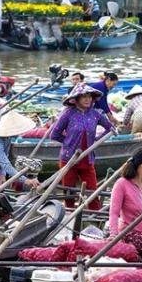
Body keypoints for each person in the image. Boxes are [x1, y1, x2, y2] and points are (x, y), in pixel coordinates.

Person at [50, 83, 113, 211]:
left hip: (87, 158)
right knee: (68, 192)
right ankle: (69, 213)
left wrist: (96, 140)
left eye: (89, 96)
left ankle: (94, 215)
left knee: (92, 192)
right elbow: (54, 134)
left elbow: (110, 127)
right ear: (76, 99)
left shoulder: (95, 114)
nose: (87, 99)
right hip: (69, 159)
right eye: (84, 96)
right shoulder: (68, 113)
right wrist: (68, 143)